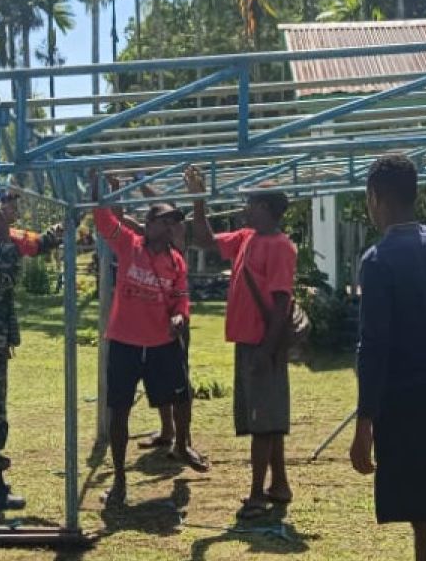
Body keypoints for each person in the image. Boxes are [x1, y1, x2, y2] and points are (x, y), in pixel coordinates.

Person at [349, 154, 426, 561]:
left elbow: (373, 346)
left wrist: (365, 423)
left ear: (376, 197)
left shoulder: (378, 260)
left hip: (406, 399)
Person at [185, 165, 297, 519]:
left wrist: (266, 351)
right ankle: (278, 484)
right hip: (250, 342)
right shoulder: (248, 237)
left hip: (264, 344)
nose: (244, 209)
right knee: (269, 420)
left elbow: (281, 304)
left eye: (250, 203)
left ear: (264, 208)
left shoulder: (280, 247)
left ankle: (256, 495)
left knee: (263, 423)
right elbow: (205, 240)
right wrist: (198, 201)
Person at [92, 173, 208, 506]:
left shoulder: (176, 262)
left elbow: (181, 299)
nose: (172, 227)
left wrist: (179, 316)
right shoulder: (129, 245)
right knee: (119, 411)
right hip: (125, 343)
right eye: (166, 221)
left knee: (181, 395)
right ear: (150, 224)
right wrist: (105, 189)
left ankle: (182, 444)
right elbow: (104, 219)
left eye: (175, 222)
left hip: (161, 344)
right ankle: (119, 480)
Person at [0, 182, 59, 510]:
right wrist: (6, 240)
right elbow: (4, 277)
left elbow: (32, 245)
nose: (15, 207)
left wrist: (52, 237)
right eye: (8, 201)